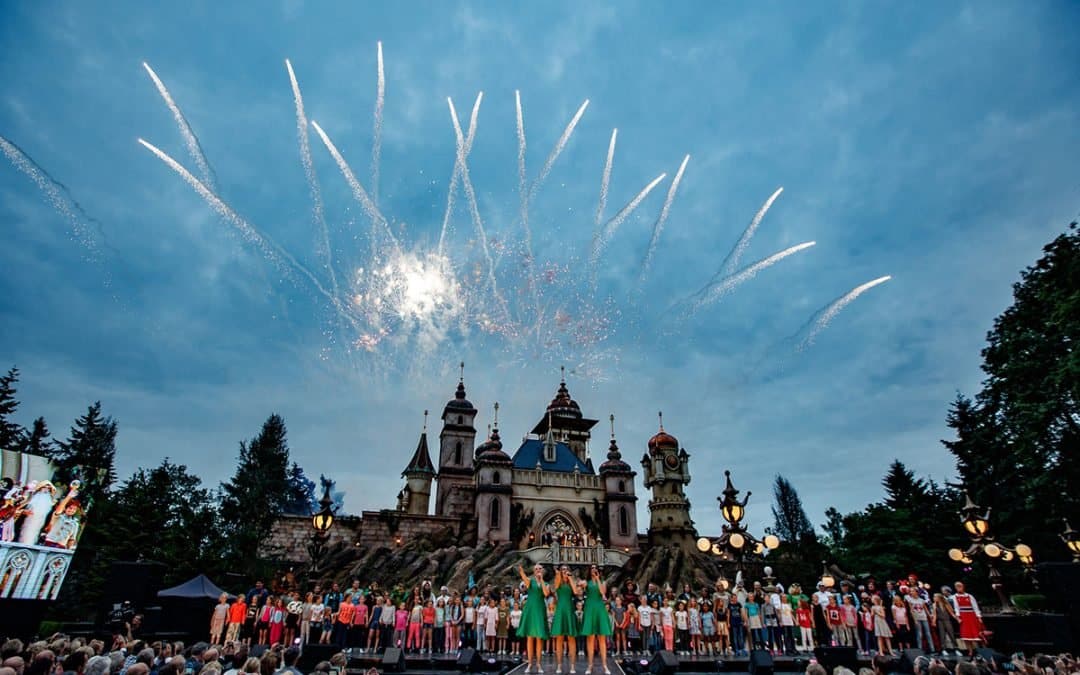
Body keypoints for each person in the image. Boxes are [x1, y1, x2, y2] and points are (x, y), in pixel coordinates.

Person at [517, 563, 551, 675]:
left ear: (542, 570)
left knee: (539, 638)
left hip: (540, 610)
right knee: (530, 638)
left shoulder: (546, 584)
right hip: (530, 610)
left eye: (539, 569)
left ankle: (539, 664)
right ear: (533, 571)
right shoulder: (530, 582)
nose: (538, 570)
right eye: (536, 569)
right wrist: (521, 571)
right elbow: (524, 579)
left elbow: (546, 594)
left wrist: (541, 580)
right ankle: (530, 663)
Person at [580, 565, 612, 675]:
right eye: (592, 568)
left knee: (602, 639)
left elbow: (603, 592)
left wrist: (597, 578)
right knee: (590, 639)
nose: (594, 569)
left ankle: (605, 665)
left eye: (595, 568)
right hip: (589, 608)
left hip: (599, 608)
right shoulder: (586, 582)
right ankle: (590, 665)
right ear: (589, 570)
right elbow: (578, 588)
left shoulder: (602, 581)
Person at [551, 565, 579, 675]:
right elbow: (556, 585)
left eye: (566, 569)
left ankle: (572, 665)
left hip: (569, 610)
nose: (564, 571)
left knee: (571, 639)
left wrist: (570, 578)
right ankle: (559, 665)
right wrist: (558, 574)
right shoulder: (558, 580)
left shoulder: (571, 581)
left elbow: (576, 591)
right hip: (560, 610)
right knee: (559, 639)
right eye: (563, 569)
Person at [948, 583, 982, 655]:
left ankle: (979, 650)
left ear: (963, 587)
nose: (959, 588)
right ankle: (970, 651)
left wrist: (978, 616)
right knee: (966, 635)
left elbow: (975, 607)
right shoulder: (954, 597)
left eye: (960, 586)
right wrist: (958, 617)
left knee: (976, 634)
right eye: (957, 587)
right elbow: (956, 608)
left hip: (972, 616)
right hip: (963, 616)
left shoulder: (969, 596)